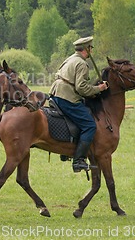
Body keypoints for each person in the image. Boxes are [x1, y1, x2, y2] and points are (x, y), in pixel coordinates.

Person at [49, 36, 109, 172]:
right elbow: (81, 87)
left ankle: (66, 151)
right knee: (89, 125)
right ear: (86, 49)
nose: (91, 51)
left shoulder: (70, 59)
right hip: (67, 97)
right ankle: (79, 160)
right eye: (91, 48)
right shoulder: (82, 63)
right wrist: (99, 89)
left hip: (56, 93)